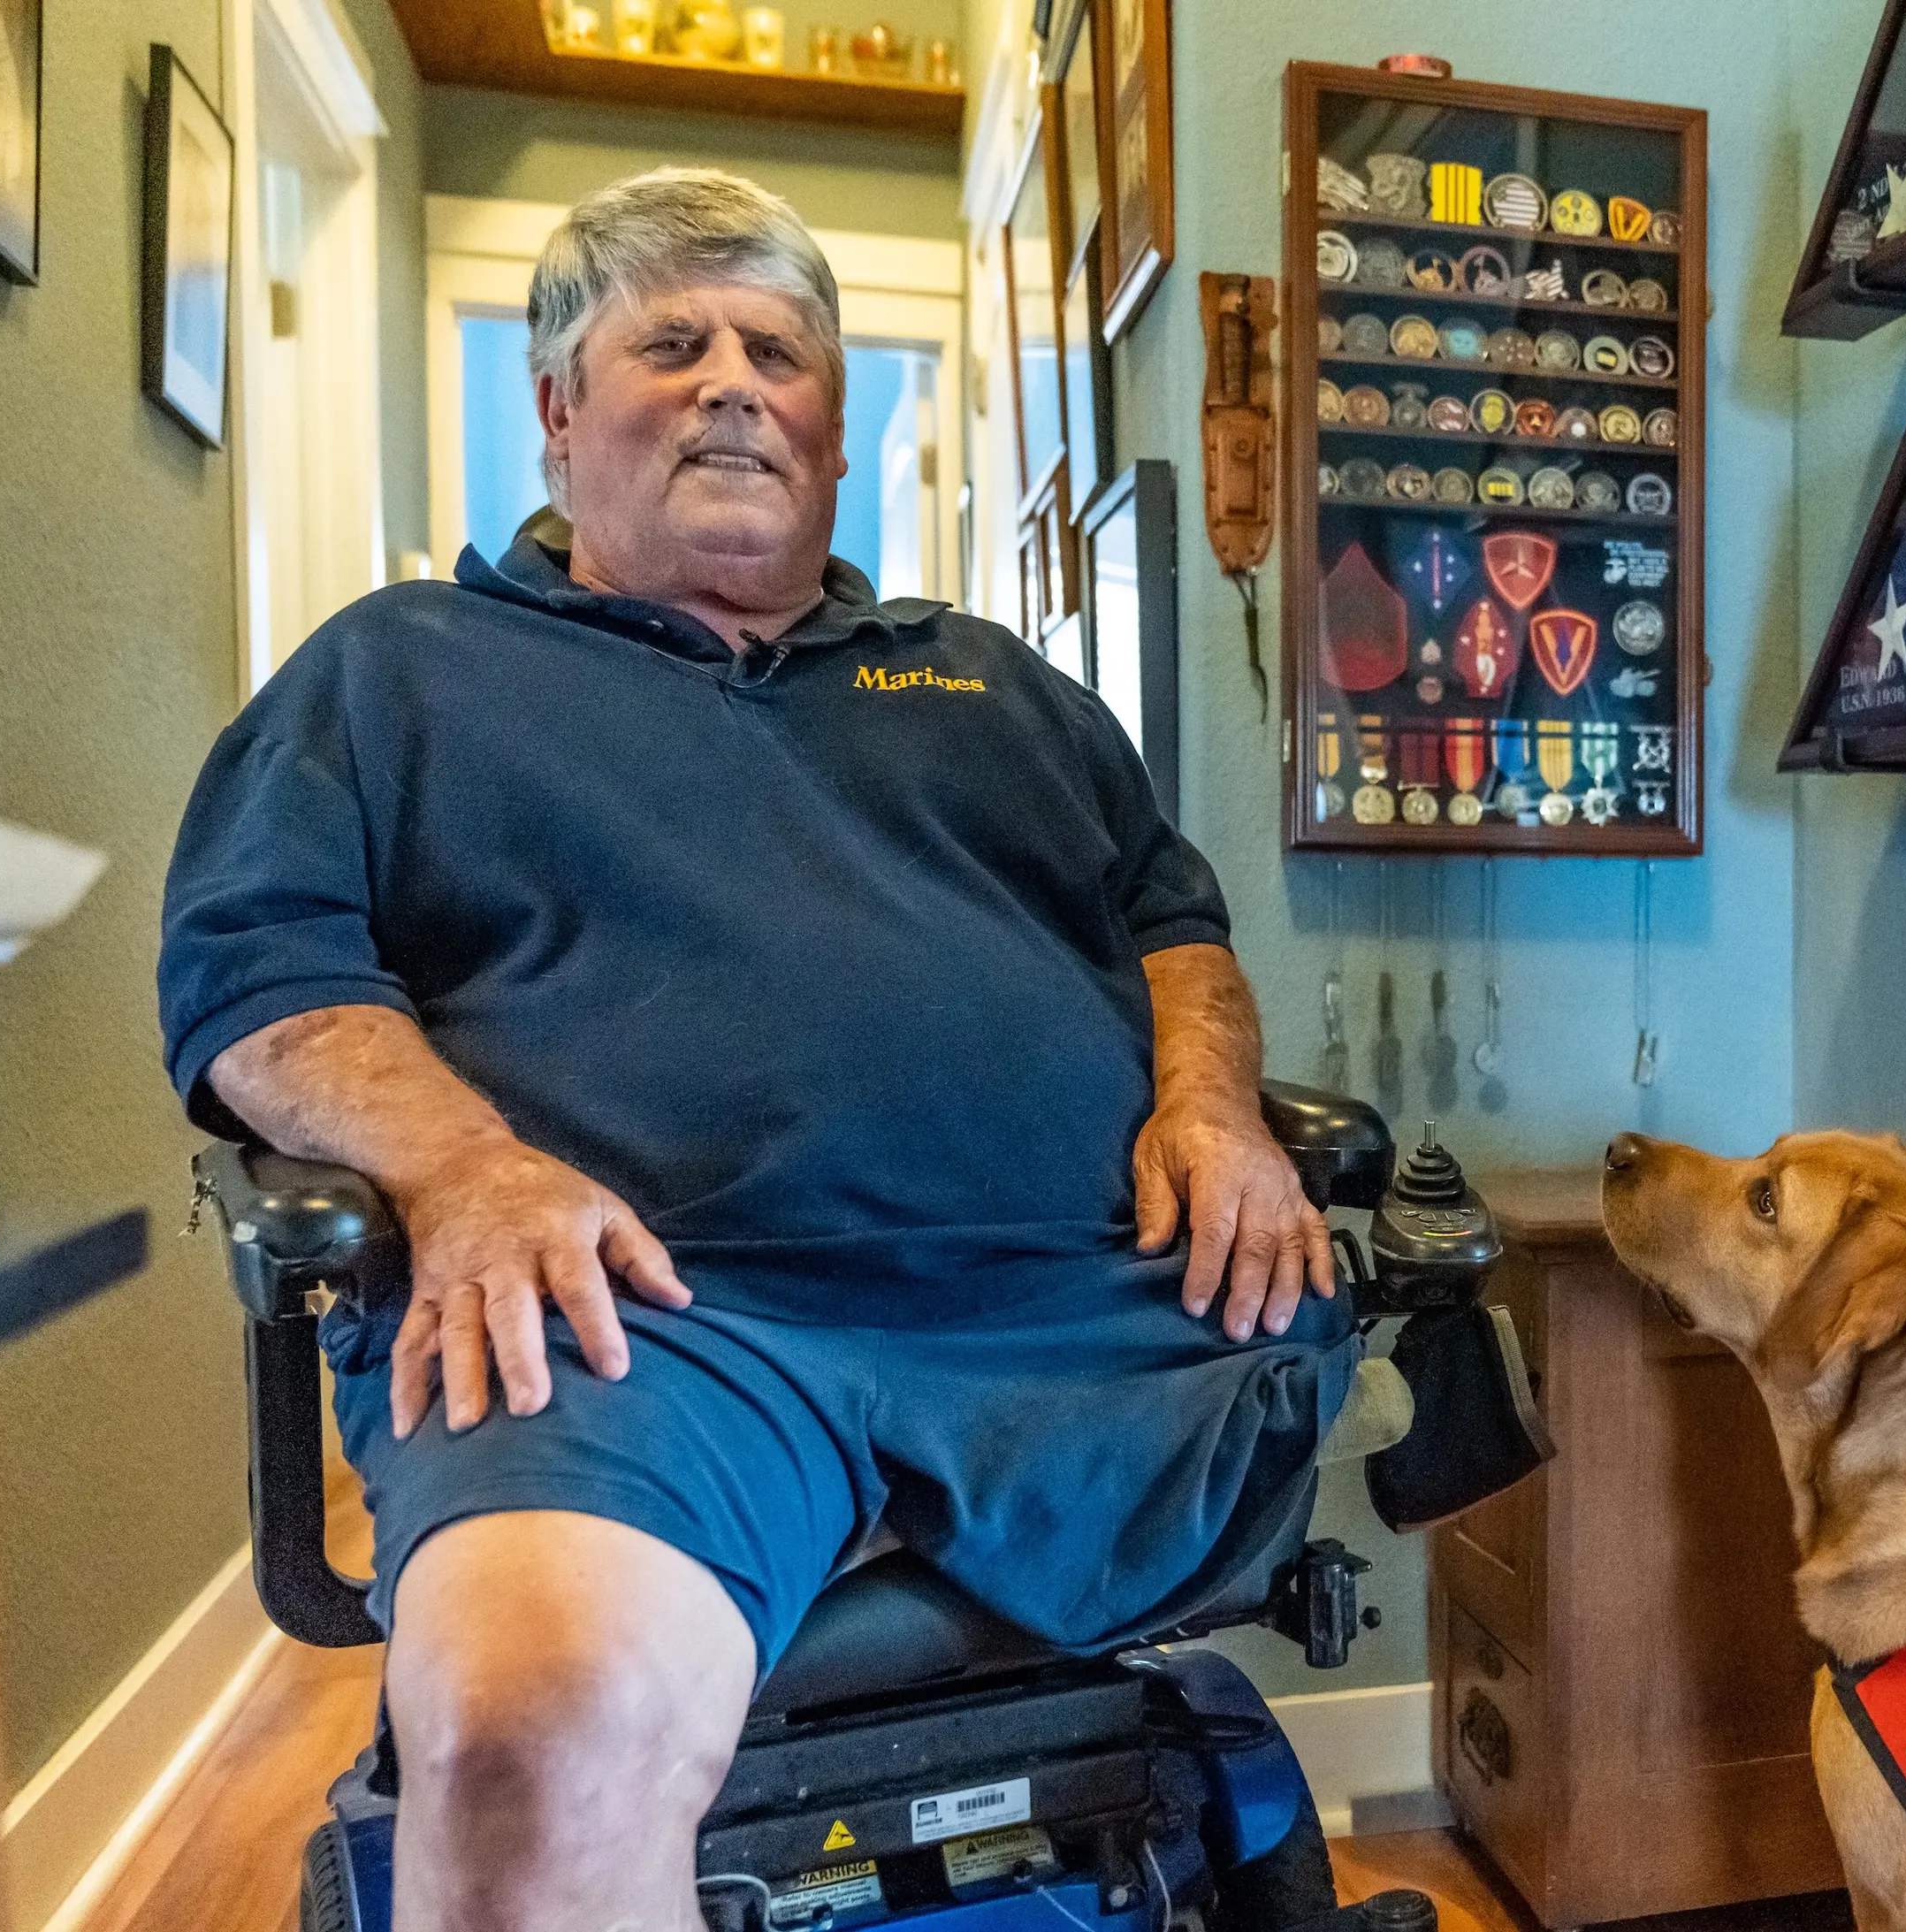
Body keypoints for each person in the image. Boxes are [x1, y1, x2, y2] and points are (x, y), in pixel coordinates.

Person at [158, 168, 1357, 1932]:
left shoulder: (997, 689)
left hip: (1069, 1317)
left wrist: (1209, 1101)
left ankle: (844, 1524)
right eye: (674, 341)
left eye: (779, 351)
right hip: (650, 1338)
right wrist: (465, 1168)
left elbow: (1167, 920)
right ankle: (789, 1519)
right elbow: (257, 973)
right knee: (529, 1736)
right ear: (559, 409)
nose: (734, 379)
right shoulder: (394, 674)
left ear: (835, 433)